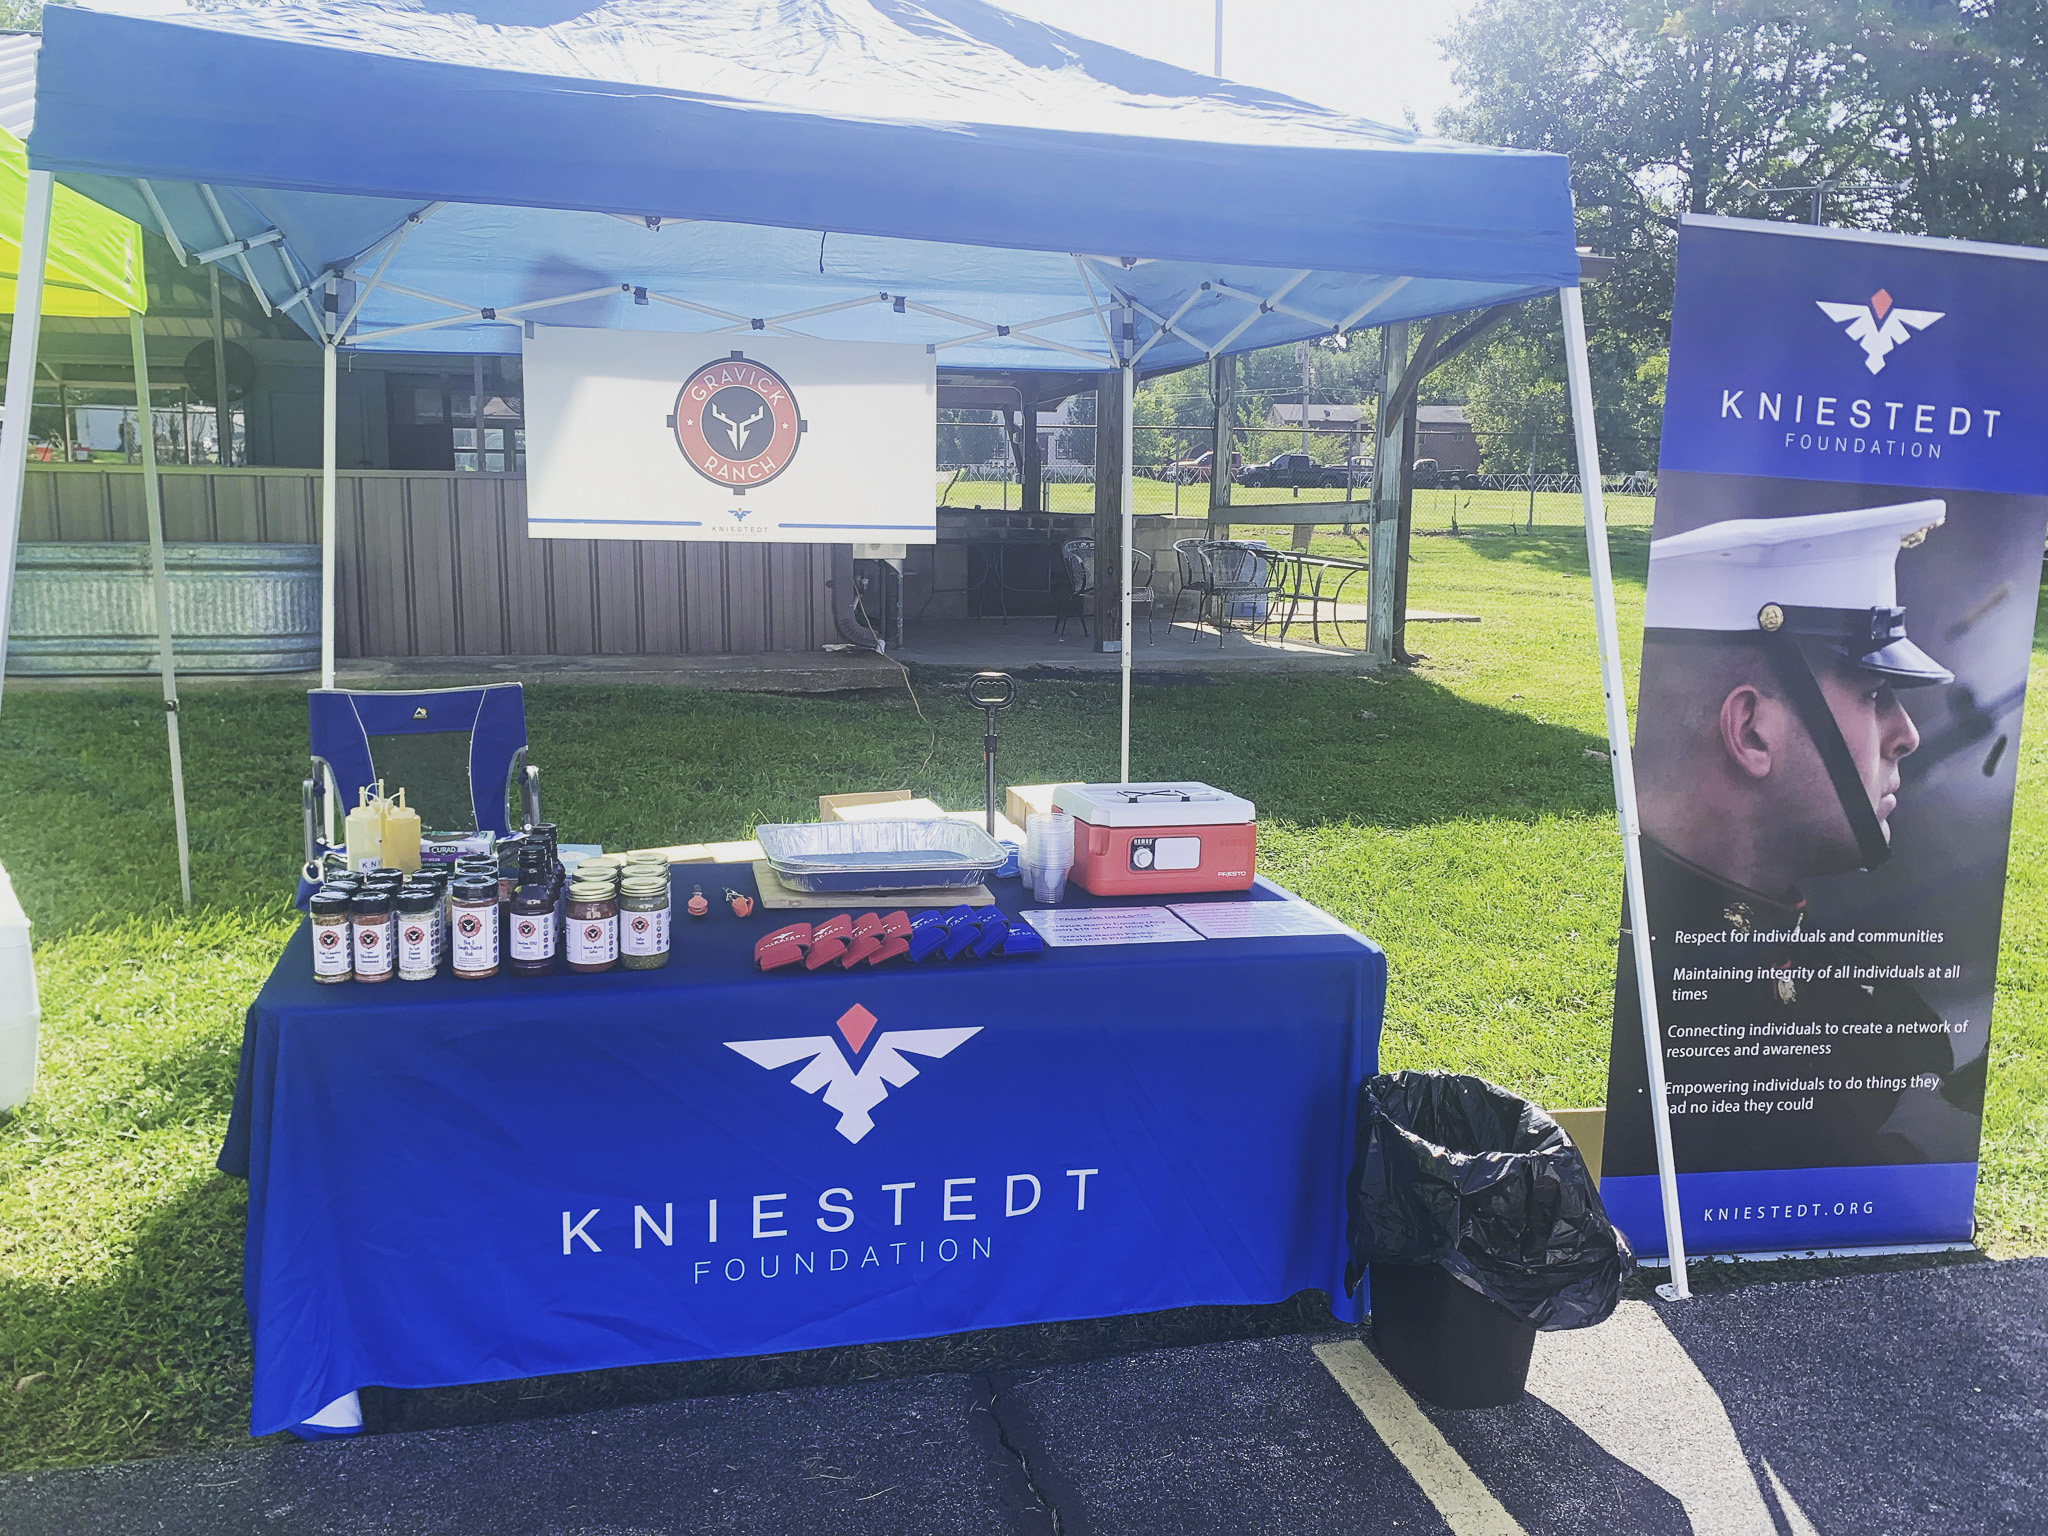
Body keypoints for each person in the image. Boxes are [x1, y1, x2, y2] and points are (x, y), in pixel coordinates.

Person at [1607, 499, 1977, 1171]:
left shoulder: (1787, 979)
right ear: (1752, 732)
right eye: (1874, 694)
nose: (1906, 734)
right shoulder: (1656, 1011)